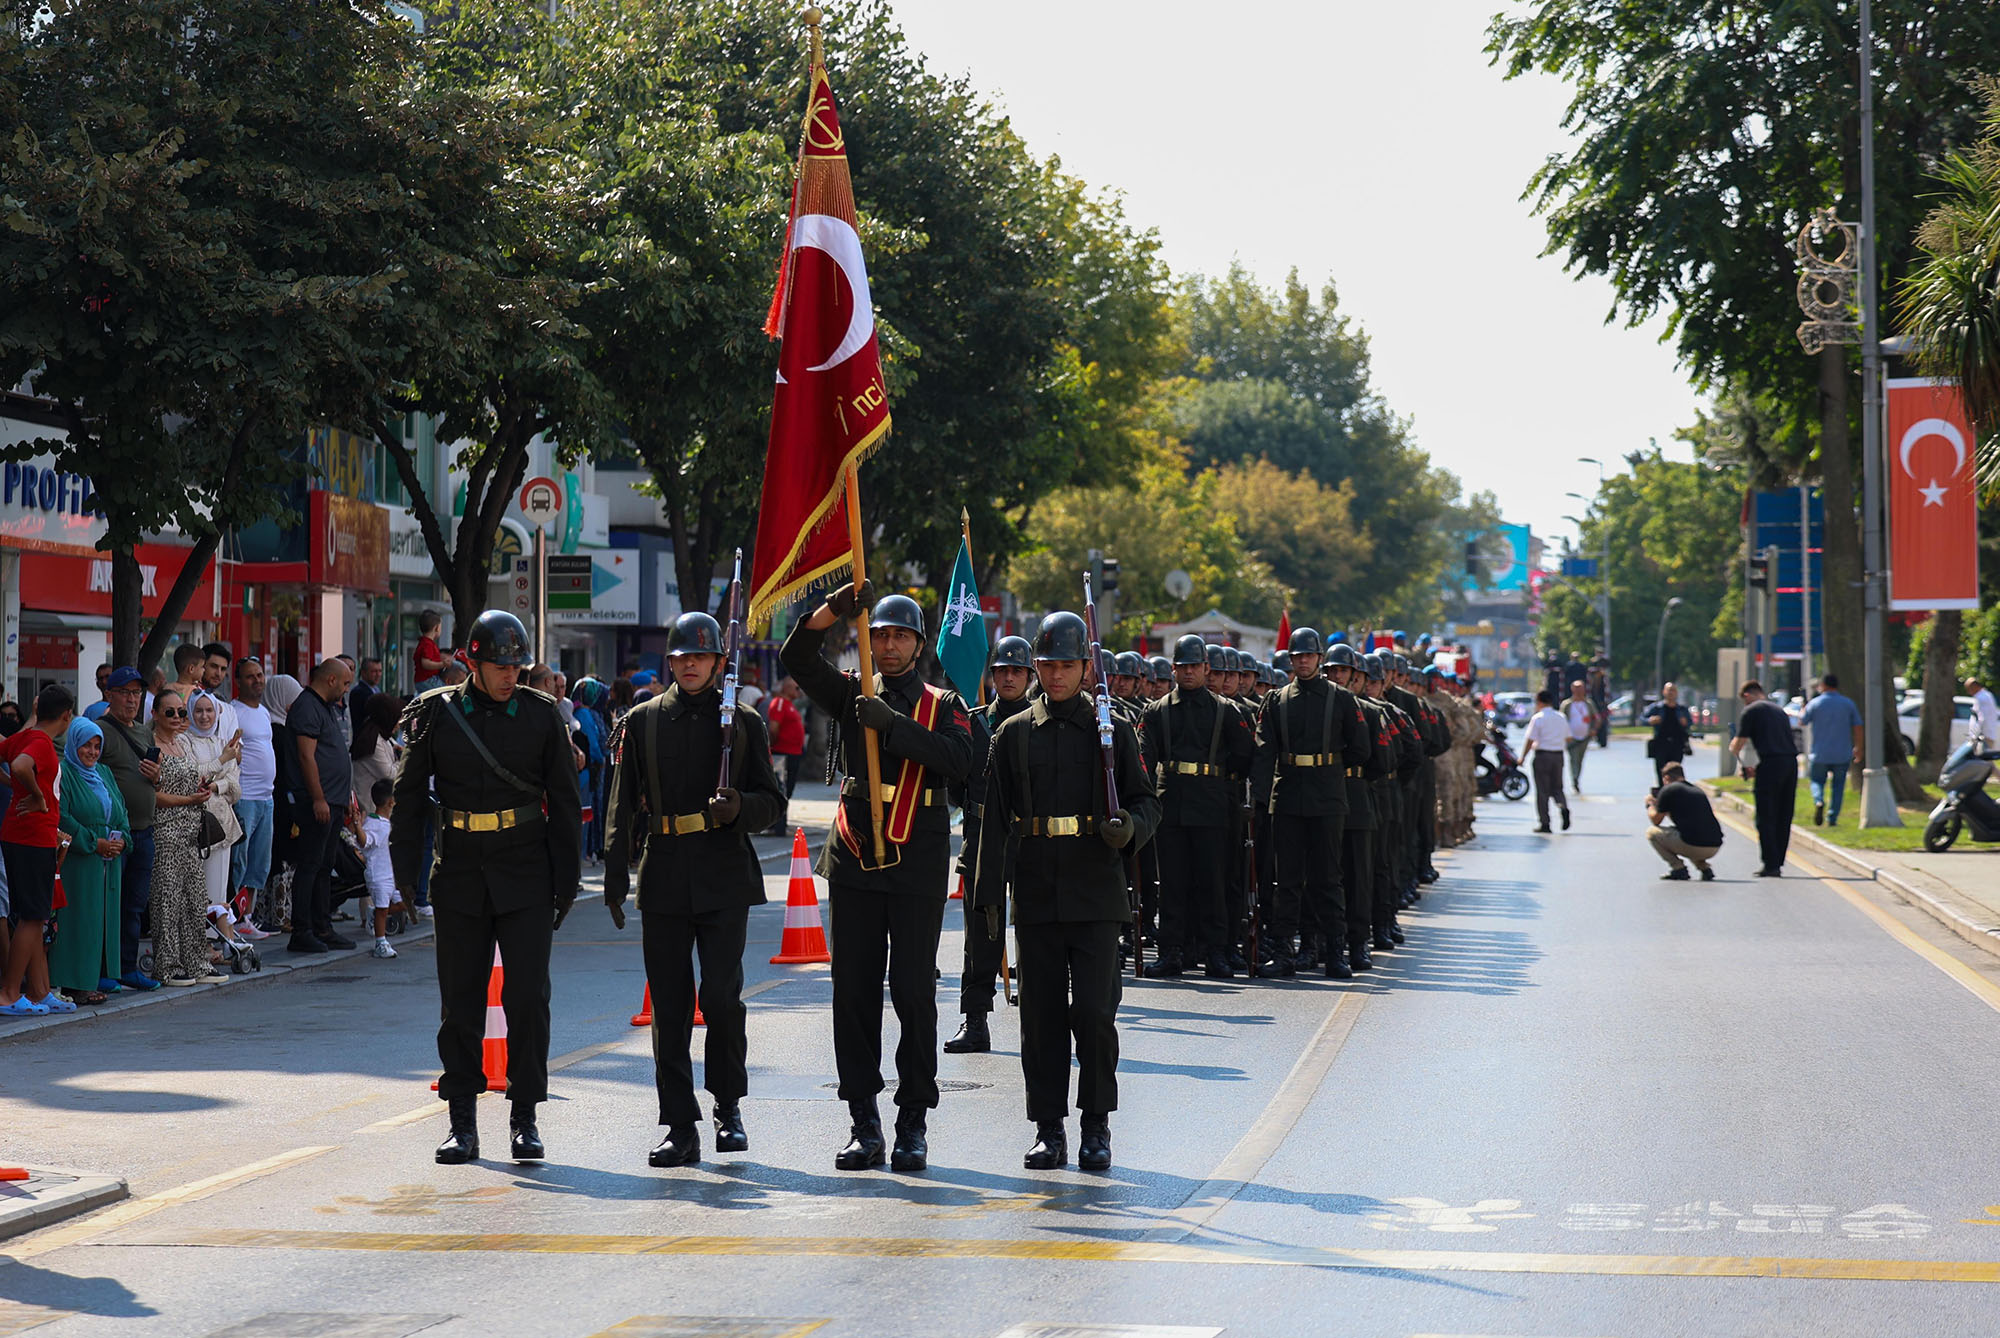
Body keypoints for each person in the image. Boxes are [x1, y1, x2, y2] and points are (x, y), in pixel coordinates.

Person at [780, 583, 974, 1173]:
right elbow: (796, 658)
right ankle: (863, 1120)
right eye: (880, 635)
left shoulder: (944, 705)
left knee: (914, 992)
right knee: (854, 992)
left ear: (918, 644)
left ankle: (912, 1120)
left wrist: (893, 725)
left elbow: (963, 761)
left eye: (899, 636)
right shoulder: (851, 693)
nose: (888, 646)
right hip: (857, 856)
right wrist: (836, 608)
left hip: (916, 858)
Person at [392, 609, 582, 1166]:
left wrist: (566, 881)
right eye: (499, 664)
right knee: (461, 1004)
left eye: (517, 665)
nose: (509, 674)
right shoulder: (435, 714)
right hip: (458, 875)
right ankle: (462, 1123)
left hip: (526, 871)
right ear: (472, 661)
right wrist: (404, 876)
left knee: (527, 1000)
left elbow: (565, 802)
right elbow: (407, 799)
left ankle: (524, 1116)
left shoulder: (542, 715)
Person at [973, 611, 1158, 1172]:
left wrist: (1129, 828)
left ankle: (1096, 1125)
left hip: (1097, 890)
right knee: (1041, 1019)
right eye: (1047, 665)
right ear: (1036, 667)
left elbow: (1147, 801)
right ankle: (1048, 1128)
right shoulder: (1012, 734)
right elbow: (994, 819)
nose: (1056, 676)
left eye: (1067, 665)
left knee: (1097, 1016)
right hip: (1036, 892)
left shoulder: (1112, 731)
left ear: (1086, 667)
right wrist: (987, 896)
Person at [603, 612, 786, 1168]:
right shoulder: (642, 721)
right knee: (671, 1006)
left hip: (723, 873)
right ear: (671, 661)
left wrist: (740, 809)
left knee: (723, 999)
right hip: (663, 874)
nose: (690, 665)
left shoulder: (745, 722)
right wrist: (614, 871)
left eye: (700, 657)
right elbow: (621, 801)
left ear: (717, 662)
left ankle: (728, 1107)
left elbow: (771, 803)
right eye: (681, 657)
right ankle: (679, 1124)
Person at [1257, 627, 1371, 980]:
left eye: (1309, 656)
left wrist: (1330, 766)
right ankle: (1284, 952)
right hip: (1289, 793)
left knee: (1327, 878)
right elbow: (1265, 751)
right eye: (1297, 656)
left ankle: (1335, 952)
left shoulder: (1341, 699)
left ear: (1320, 659)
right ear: (1290, 660)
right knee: (1287, 880)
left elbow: (1361, 748)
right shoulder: (1277, 700)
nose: (1303, 661)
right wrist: (1261, 800)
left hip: (1327, 794)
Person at [1139, 635, 1253, 980]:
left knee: (1213, 882)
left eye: (1195, 666)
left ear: (1206, 668)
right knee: (1172, 883)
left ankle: (1216, 952)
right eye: (1182, 666)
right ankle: (1171, 951)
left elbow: (1246, 756)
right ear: (1173, 669)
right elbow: (1145, 758)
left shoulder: (1227, 711)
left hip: (1212, 803)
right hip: (1171, 802)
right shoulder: (1157, 712)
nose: (1188, 672)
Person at [944, 636, 1034, 1054]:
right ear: (992, 676)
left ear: (1030, 676)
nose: (1009, 677)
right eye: (1002, 671)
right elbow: (955, 786)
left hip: (1032, 841)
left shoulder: (1042, 723)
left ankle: (1040, 1015)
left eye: (1017, 670)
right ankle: (975, 1018)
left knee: (1036, 932)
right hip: (982, 839)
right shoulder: (973, 723)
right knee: (979, 937)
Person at [0, 686, 76, 1015]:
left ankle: (38, 990)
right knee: (33, 917)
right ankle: (9, 993)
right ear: (67, 716)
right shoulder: (41, 742)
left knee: (33, 915)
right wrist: (36, 796)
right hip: (33, 837)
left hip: (21, 833)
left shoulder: (25, 735)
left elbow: (12, 765)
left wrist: (20, 790)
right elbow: (19, 766)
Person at [148, 688, 226, 987]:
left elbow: (189, 780)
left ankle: (197, 961)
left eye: (181, 711)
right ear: (155, 714)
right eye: (170, 712)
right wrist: (189, 800)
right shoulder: (151, 746)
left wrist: (202, 788)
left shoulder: (181, 743)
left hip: (191, 830)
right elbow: (152, 795)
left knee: (195, 899)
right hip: (166, 829)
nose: (178, 717)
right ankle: (167, 966)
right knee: (167, 899)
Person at [52, 718, 128, 1005]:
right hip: (78, 861)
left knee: (100, 922)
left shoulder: (104, 772)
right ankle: (73, 983)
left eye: (97, 746)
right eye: (86, 745)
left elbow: (120, 809)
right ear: (74, 744)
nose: (92, 752)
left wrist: (121, 841)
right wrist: (93, 843)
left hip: (108, 861)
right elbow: (62, 816)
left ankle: (91, 978)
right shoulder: (65, 773)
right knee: (78, 921)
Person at [95, 667, 162, 990]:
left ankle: (126, 967)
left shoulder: (145, 732)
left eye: (137, 693)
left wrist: (155, 777)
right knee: (110, 904)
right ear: (110, 695)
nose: (132, 699)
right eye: (125, 692)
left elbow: (154, 778)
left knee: (134, 904)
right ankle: (103, 970)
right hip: (115, 833)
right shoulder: (100, 731)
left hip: (145, 830)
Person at [286, 658, 358, 954]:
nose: (345, 690)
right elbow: (306, 757)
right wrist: (318, 798)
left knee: (324, 866)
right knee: (311, 865)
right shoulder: (307, 706)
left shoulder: (326, 708)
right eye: (344, 683)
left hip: (334, 801)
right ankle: (302, 930)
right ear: (330, 680)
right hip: (317, 801)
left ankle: (322, 926)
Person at [185, 690, 245, 920]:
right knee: (195, 888)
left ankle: (216, 938)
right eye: (198, 710)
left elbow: (235, 787)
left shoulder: (224, 743)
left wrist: (215, 786)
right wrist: (220, 765)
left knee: (218, 887)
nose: (204, 716)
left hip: (222, 824)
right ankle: (200, 942)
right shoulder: (183, 742)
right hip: (193, 824)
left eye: (209, 710)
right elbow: (191, 776)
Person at [1731, 679, 1800, 877]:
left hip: (1770, 764)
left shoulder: (1751, 711)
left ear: (1747, 696)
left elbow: (1740, 742)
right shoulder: (1779, 711)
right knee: (1784, 814)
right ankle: (1778, 859)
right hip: (1790, 764)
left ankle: (1770, 864)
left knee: (1766, 815)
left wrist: (1735, 752)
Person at [230, 658, 277, 923]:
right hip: (245, 797)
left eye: (260, 675)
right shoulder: (233, 711)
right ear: (238, 681)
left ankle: (247, 919)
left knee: (259, 864)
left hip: (266, 797)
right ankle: (233, 919)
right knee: (240, 862)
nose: (257, 680)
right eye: (250, 676)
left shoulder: (264, 712)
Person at [1799, 673, 1864, 827]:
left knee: (1816, 781)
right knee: (1838, 786)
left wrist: (1804, 708)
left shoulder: (1815, 703)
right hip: (1842, 752)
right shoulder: (1848, 704)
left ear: (1823, 685)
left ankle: (1818, 800)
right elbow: (1858, 727)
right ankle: (1832, 817)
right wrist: (1859, 747)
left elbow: (1802, 721)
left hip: (1820, 752)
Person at [1646, 762, 1723, 880]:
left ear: (1666, 778)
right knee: (1687, 833)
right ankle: (1705, 868)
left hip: (1692, 845)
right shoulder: (1696, 790)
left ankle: (1678, 868)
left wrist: (1650, 805)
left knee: (1651, 832)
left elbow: (1656, 820)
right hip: (1714, 845)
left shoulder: (1668, 790)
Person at [360, 778, 405, 960]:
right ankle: (380, 943)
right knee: (382, 910)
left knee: (404, 905)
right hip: (378, 875)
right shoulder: (374, 824)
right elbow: (365, 842)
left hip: (391, 874)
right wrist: (357, 826)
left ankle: (372, 915)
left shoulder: (388, 822)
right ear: (391, 801)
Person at [1523, 690, 1572, 834]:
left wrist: (1522, 757)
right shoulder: (1561, 717)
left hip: (1542, 756)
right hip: (1558, 756)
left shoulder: (1538, 718)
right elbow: (1568, 737)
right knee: (1557, 787)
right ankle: (1562, 806)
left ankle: (1545, 823)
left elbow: (1530, 739)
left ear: (1539, 702)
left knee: (1542, 791)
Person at [349, 692, 404, 819]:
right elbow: (390, 775)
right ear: (387, 717)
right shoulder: (372, 742)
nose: (398, 724)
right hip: (370, 811)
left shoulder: (383, 737)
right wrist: (402, 758)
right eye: (397, 719)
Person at [1643, 682, 1694, 785]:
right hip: (1661, 744)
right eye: (1669, 690)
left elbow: (1690, 723)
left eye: (1673, 690)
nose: (1671, 693)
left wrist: (1685, 723)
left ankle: (1674, 793)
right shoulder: (1657, 708)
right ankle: (1662, 795)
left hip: (1677, 744)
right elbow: (1642, 719)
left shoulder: (1682, 709)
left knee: (1675, 772)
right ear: (1664, 692)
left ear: (1677, 693)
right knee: (1661, 772)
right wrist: (1650, 720)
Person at [766, 678, 807, 801]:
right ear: (786, 688)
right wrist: (774, 746)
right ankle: (779, 818)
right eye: (796, 688)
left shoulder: (790, 705)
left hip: (793, 753)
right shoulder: (779, 702)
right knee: (782, 789)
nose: (798, 691)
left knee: (788, 789)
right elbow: (773, 728)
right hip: (783, 753)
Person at [1563, 678, 1600, 793]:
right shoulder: (1567, 704)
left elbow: (1597, 718)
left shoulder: (1588, 704)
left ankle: (1577, 777)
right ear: (1572, 689)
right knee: (1573, 758)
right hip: (1571, 738)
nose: (1578, 691)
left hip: (1585, 738)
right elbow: (1561, 720)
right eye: (1576, 688)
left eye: (1581, 688)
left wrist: (1594, 729)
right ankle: (1575, 779)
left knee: (1579, 759)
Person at [413, 611, 447, 694]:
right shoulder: (428, 644)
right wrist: (442, 664)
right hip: (428, 680)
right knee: (445, 692)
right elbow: (425, 663)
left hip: (423, 680)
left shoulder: (424, 643)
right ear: (436, 628)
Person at [1968, 676, 1999, 751]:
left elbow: (1982, 719)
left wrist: (1975, 734)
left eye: (1969, 689)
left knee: (1982, 760)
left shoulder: (1981, 698)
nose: (1968, 692)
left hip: (1984, 736)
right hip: (1987, 734)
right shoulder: (1987, 695)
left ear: (1975, 686)